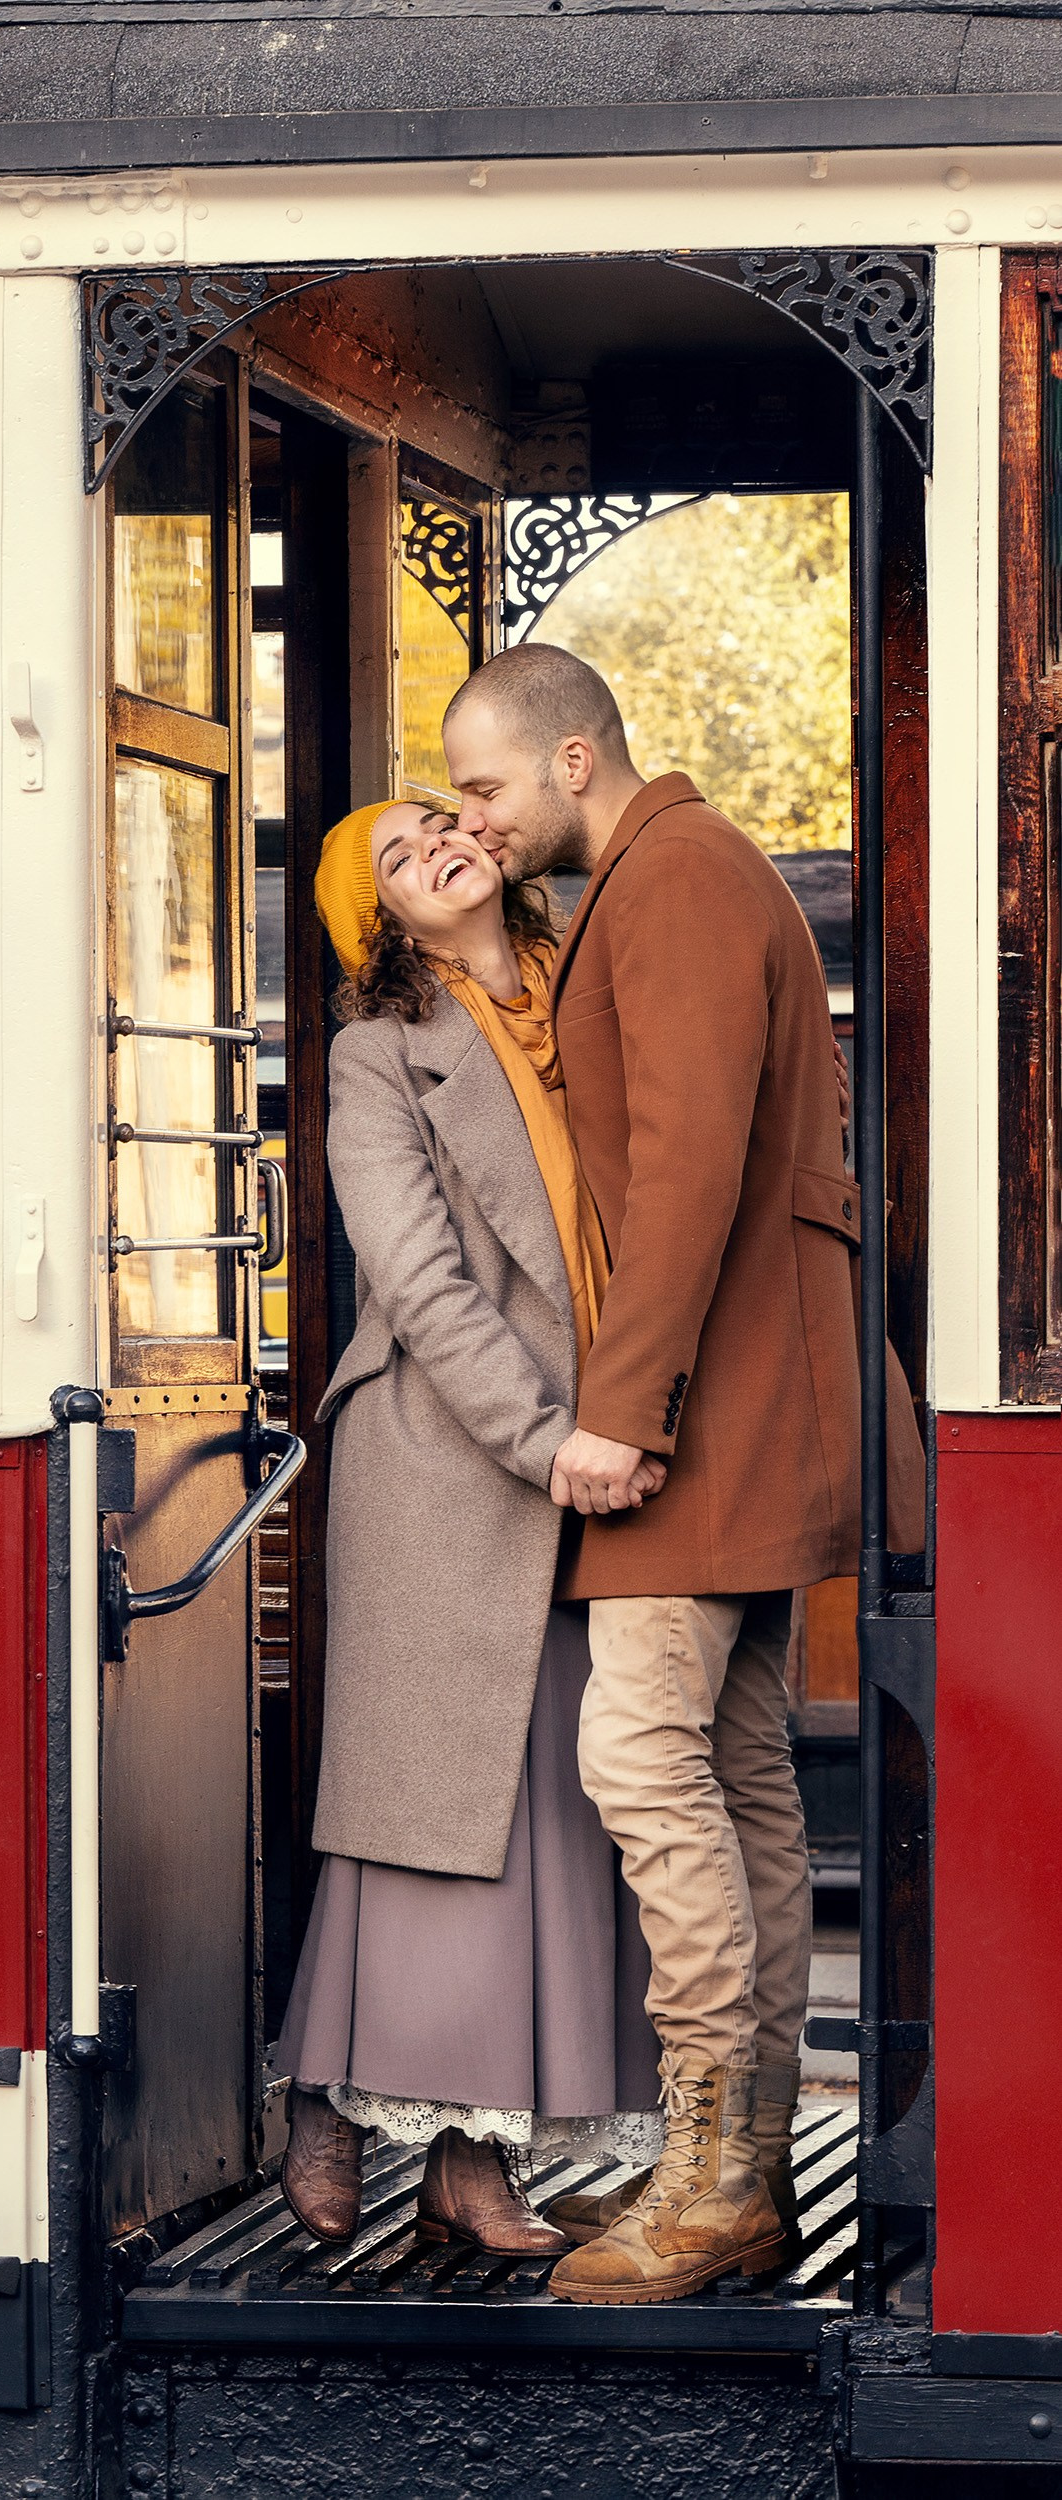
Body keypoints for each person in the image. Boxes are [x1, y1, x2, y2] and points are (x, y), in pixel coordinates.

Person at [441, 643, 925, 2305]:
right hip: (749, 1394)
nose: (474, 822)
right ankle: (736, 2165)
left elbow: (689, 1173)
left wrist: (621, 1408)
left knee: (639, 1762)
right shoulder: (662, 880)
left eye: (487, 789)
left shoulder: (677, 883)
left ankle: (718, 2179)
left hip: (711, 1410)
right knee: (735, 1778)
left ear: (575, 759)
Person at [273, 795, 663, 2258]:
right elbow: (420, 1283)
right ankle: (331, 2094)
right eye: (392, 851)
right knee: (426, 1806)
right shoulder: (375, 1052)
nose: (432, 838)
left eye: (442, 816)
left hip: (601, 1451)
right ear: (369, 919)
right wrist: (541, 1437)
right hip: (452, 1452)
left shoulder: (590, 993)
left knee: (551, 1802)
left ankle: (454, 2155)